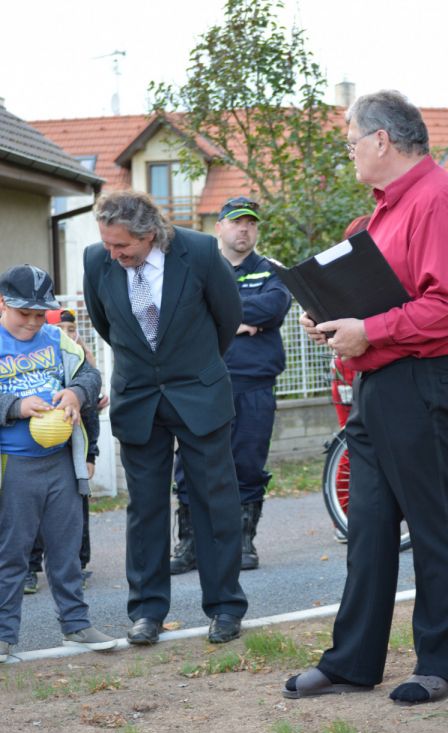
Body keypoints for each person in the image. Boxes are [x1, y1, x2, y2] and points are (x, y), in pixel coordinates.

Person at [284, 90, 448, 705]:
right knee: (368, 528)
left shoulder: (436, 200)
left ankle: (439, 664)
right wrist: (332, 319)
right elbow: (383, 295)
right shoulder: (382, 212)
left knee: (432, 524)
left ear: (381, 139)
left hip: (420, 379)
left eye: (350, 143)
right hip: (379, 382)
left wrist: (367, 329)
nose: (348, 153)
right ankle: (352, 661)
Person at [83, 191, 248, 646]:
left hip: (199, 395)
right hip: (138, 399)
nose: (113, 255)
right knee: (145, 508)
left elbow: (227, 316)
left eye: (123, 247)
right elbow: (105, 324)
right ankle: (147, 612)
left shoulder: (199, 251)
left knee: (214, 502)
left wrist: (194, 367)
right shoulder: (96, 260)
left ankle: (225, 607)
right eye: (108, 245)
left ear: (149, 235)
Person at [0, 265, 117, 662]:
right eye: (24, 313)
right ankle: (3, 635)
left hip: (60, 464)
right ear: (3, 303)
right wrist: (15, 406)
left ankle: (76, 625)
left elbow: (90, 376)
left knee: (66, 551)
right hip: (13, 467)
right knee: (11, 554)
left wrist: (76, 394)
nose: (33, 322)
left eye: (40, 314)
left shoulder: (56, 339)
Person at [171, 197, 292, 572]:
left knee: (247, 463)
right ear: (219, 227)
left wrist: (220, 314)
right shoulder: (199, 268)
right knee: (190, 463)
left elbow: (275, 306)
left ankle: (242, 542)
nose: (245, 229)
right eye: (237, 222)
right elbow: (184, 310)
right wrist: (242, 321)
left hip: (253, 385)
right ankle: (190, 544)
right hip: (201, 384)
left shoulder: (270, 271)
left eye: (251, 223)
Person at [24, 308, 107, 594]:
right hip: (32, 452)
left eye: (71, 329)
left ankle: (77, 565)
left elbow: (90, 415)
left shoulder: (80, 363)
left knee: (75, 512)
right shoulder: (37, 361)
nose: (67, 334)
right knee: (31, 513)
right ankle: (29, 568)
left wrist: (90, 454)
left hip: (70, 454)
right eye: (60, 329)